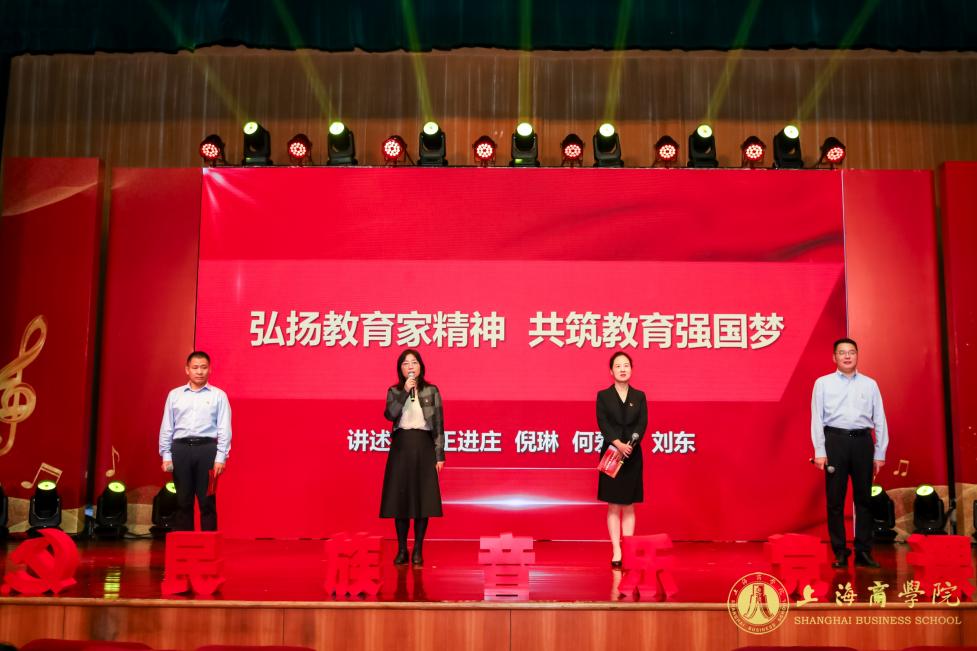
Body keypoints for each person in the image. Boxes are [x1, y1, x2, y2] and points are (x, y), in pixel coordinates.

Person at [811, 337, 888, 569]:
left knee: (864, 499)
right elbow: (817, 418)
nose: (847, 356)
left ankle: (863, 551)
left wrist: (880, 452)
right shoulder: (823, 383)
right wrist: (820, 450)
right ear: (834, 357)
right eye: (842, 352)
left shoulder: (870, 384)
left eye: (851, 352)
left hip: (863, 442)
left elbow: (880, 418)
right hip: (835, 441)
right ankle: (840, 552)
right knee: (835, 500)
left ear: (857, 355)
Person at [380, 349, 445, 566]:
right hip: (401, 446)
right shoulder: (394, 391)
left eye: (414, 362)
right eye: (406, 363)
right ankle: (401, 549)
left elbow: (438, 425)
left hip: (424, 445)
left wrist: (439, 455)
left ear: (421, 367)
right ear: (400, 369)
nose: (410, 366)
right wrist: (404, 393)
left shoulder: (431, 390)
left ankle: (418, 548)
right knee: (400, 501)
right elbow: (390, 414)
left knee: (422, 500)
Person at [158, 351, 232, 531]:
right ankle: (186, 545)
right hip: (180, 450)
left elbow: (224, 428)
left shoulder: (218, 395)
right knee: (183, 501)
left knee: (207, 501)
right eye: (195, 367)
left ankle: (209, 545)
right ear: (187, 370)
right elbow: (167, 426)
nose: (199, 371)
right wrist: (166, 455)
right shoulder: (175, 395)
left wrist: (221, 457)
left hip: (207, 450)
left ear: (210, 370)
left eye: (204, 367)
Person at [596, 351, 648, 567]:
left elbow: (642, 424)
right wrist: (618, 444)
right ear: (611, 371)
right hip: (611, 454)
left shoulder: (639, 396)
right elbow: (603, 423)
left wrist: (630, 445)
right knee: (614, 504)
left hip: (632, 455)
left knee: (628, 504)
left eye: (626, 365)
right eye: (618, 366)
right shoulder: (603, 396)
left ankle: (628, 549)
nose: (622, 369)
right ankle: (616, 550)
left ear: (631, 369)